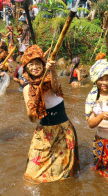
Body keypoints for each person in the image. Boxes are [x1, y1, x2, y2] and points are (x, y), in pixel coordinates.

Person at [21, 45, 78, 182]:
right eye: (31, 65)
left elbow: (55, 87)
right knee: (31, 175)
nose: (35, 67)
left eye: (38, 64)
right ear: (26, 68)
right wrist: (33, 105)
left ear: (43, 64)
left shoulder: (51, 81)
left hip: (62, 130)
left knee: (63, 175)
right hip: (43, 132)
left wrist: (52, 70)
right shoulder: (27, 89)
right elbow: (31, 119)